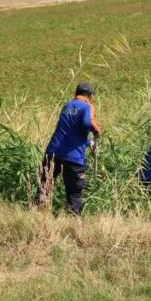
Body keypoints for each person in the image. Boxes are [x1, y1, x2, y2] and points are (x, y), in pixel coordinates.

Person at [37, 82, 102, 214]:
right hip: (73, 156)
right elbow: (86, 123)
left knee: (44, 187)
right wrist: (96, 131)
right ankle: (71, 222)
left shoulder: (67, 106)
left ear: (75, 94)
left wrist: (89, 141)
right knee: (74, 194)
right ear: (90, 96)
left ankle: (37, 214)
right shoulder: (87, 106)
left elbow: (70, 128)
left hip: (53, 152)